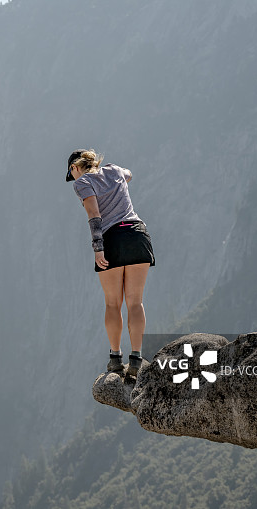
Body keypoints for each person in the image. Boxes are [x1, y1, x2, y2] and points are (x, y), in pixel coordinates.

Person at [66, 148, 155, 376]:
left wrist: (98, 248)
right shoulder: (114, 170)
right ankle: (136, 359)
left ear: (75, 168)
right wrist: (116, 180)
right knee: (136, 302)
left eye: (71, 174)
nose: (73, 180)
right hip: (137, 234)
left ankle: (115, 359)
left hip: (112, 238)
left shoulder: (82, 183)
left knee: (112, 304)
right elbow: (129, 174)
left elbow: (94, 215)